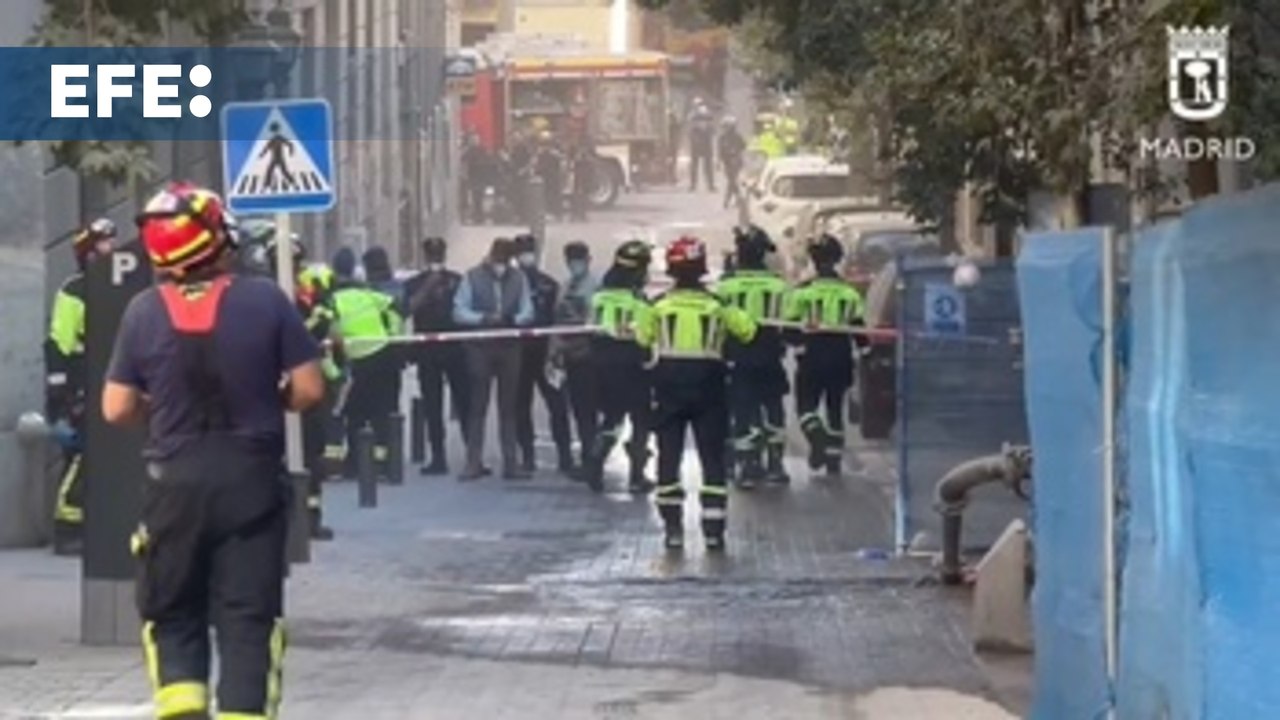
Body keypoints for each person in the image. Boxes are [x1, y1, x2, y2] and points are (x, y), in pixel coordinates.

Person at [103, 181, 324, 720]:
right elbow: (310, 389)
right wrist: (270, 399)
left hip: (173, 486)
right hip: (250, 485)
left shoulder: (142, 311)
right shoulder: (266, 299)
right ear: (214, 239)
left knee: (173, 613)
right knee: (247, 621)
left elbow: (116, 407)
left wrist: (161, 412)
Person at [636, 236, 756, 551]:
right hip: (710, 390)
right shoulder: (717, 307)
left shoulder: (658, 305)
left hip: (667, 389)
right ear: (702, 268)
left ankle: (673, 530)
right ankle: (713, 531)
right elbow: (748, 330)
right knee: (712, 460)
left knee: (669, 458)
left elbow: (641, 336)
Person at [46, 217, 116, 555]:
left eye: (111, 242)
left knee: (106, 456)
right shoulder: (74, 290)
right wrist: (60, 390)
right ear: (87, 251)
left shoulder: (119, 284)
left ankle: (96, 523)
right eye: (103, 243)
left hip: (109, 381)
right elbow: (59, 342)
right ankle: (67, 526)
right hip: (79, 384)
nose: (110, 248)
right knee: (81, 454)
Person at [266, 235, 337, 540]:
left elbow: (326, 324)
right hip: (274, 383)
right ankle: (283, 520)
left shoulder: (310, 293)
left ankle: (309, 519)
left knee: (312, 457)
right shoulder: (262, 294)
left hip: (304, 382)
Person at [714, 226, 792, 489]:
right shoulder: (779, 285)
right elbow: (791, 322)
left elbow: (717, 322)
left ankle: (748, 464)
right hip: (770, 354)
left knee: (742, 410)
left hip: (737, 356)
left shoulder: (725, 285)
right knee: (773, 408)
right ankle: (775, 463)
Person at [786, 233, 865, 477]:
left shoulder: (802, 293)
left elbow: (789, 329)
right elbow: (859, 330)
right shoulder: (849, 293)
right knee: (834, 409)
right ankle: (833, 461)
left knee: (805, 407)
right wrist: (865, 350)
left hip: (812, 355)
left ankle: (817, 437)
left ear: (813, 260)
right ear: (837, 260)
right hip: (840, 355)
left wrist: (797, 345)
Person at [454, 238, 533, 480]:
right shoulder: (472, 277)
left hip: (510, 348)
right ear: (490, 256)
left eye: (505, 261)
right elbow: (458, 311)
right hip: (480, 347)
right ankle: (473, 462)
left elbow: (528, 310)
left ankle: (511, 463)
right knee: (477, 406)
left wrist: (513, 320)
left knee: (508, 407)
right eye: (498, 260)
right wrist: (482, 319)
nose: (501, 265)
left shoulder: (519, 278)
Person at [582, 240, 656, 494]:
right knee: (641, 420)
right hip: (632, 365)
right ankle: (637, 476)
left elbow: (589, 329)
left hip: (600, 364)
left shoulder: (599, 296)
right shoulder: (638, 302)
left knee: (612, 418)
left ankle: (596, 459)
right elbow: (647, 336)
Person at [331, 247, 404, 480]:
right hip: (382, 354)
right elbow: (394, 307)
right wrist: (393, 335)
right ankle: (383, 463)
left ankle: (355, 465)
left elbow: (330, 333)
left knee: (355, 414)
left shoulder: (332, 300)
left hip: (358, 361)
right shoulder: (366, 293)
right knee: (381, 412)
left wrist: (334, 369)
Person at [510, 233, 576, 476]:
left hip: (545, 353)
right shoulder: (511, 284)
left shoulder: (548, 284)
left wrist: (557, 349)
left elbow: (558, 316)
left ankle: (565, 457)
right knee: (520, 407)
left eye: (529, 251)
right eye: (522, 252)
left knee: (557, 405)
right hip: (519, 353)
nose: (526, 256)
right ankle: (527, 456)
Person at [404, 237, 470, 475]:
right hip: (428, 351)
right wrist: (427, 288)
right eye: (432, 255)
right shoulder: (415, 283)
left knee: (464, 402)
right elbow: (408, 309)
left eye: (438, 254)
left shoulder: (458, 281)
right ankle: (438, 457)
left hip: (455, 348)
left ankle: (472, 457)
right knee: (432, 405)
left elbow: (466, 309)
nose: (435, 258)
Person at [551, 241, 599, 485]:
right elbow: (557, 320)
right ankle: (585, 458)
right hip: (568, 358)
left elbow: (594, 325)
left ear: (588, 260)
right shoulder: (565, 286)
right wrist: (555, 351)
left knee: (587, 413)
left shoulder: (596, 287)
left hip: (589, 358)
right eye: (571, 259)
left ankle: (592, 460)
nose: (575, 264)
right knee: (576, 411)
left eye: (579, 259)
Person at [717, 117, 747, 210]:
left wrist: (734, 151)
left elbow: (743, 146)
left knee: (732, 181)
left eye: (726, 126)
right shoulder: (722, 138)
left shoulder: (737, 137)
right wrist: (718, 162)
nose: (725, 128)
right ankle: (738, 199)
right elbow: (720, 151)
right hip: (727, 162)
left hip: (735, 161)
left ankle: (728, 200)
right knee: (731, 181)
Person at [533, 133, 565, 221]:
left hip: (552, 177)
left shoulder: (553, 153)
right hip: (548, 177)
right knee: (549, 195)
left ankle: (556, 213)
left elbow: (561, 164)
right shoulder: (543, 153)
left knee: (553, 195)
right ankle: (554, 213)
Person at [687, 100, 716, 192]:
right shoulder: (705, 113)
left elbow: (690, 128)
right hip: (702, 142)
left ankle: (695, 185)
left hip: (700, 142)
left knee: (699, 165)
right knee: (706, 165)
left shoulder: (694, 114)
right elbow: (712, 129)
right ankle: (708, 185)